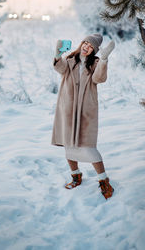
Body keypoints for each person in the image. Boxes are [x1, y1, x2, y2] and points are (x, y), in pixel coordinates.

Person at [51, 34, 115, 199]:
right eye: (85, 43)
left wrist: (105, 59)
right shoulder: (70, 61)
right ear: (82, 44)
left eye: (91, 46)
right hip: (68, 110)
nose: (87, 47)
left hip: (86, 111)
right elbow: (59, 68)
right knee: (68, 146)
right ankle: (76, 175)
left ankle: (104, 180)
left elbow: (99, 79)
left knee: (89, 148)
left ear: (94, 50)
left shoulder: (95, 64)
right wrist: (58, 54)